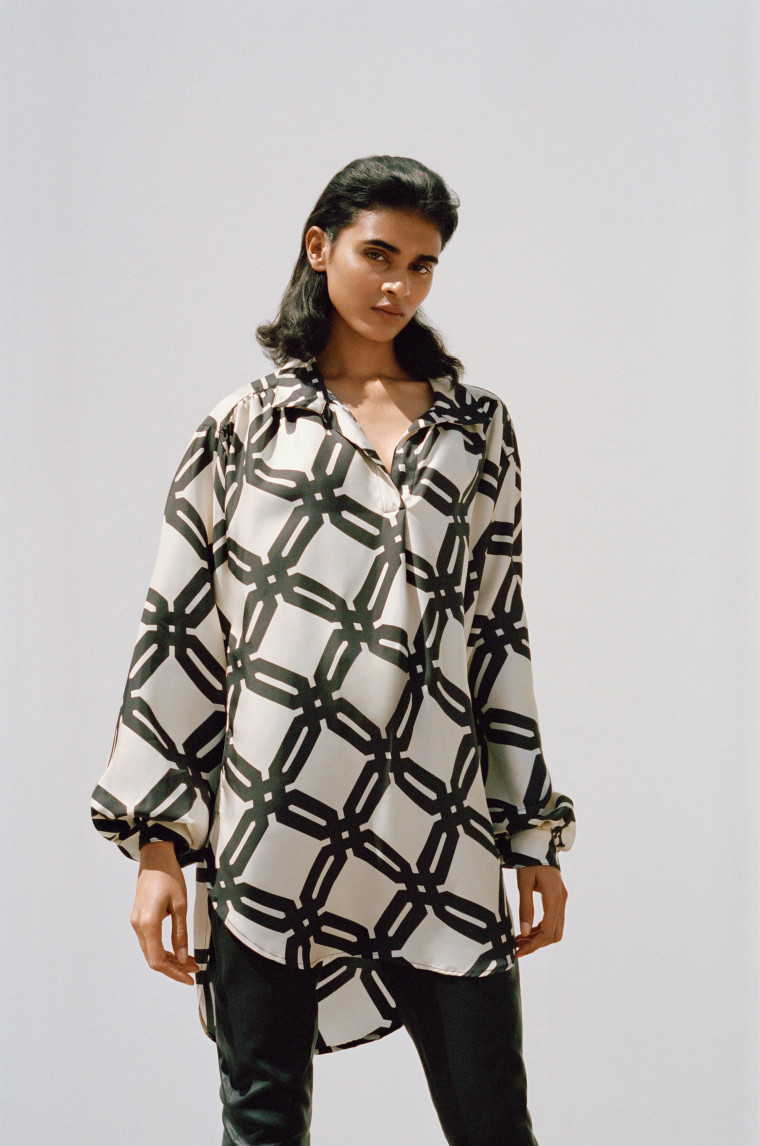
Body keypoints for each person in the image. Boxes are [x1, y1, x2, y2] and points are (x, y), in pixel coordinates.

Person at [91, 154, 576, 1146]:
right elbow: (181, 631)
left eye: (423, 265)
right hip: (273, 825)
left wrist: (529, 831)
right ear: (319, 248)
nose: (400, 285)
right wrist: (158, 847)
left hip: (438, 826)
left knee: (493, 1120)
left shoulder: (477, 430)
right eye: (378, 255)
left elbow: (496, 634)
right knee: (262, 1123)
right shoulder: (244, 427)